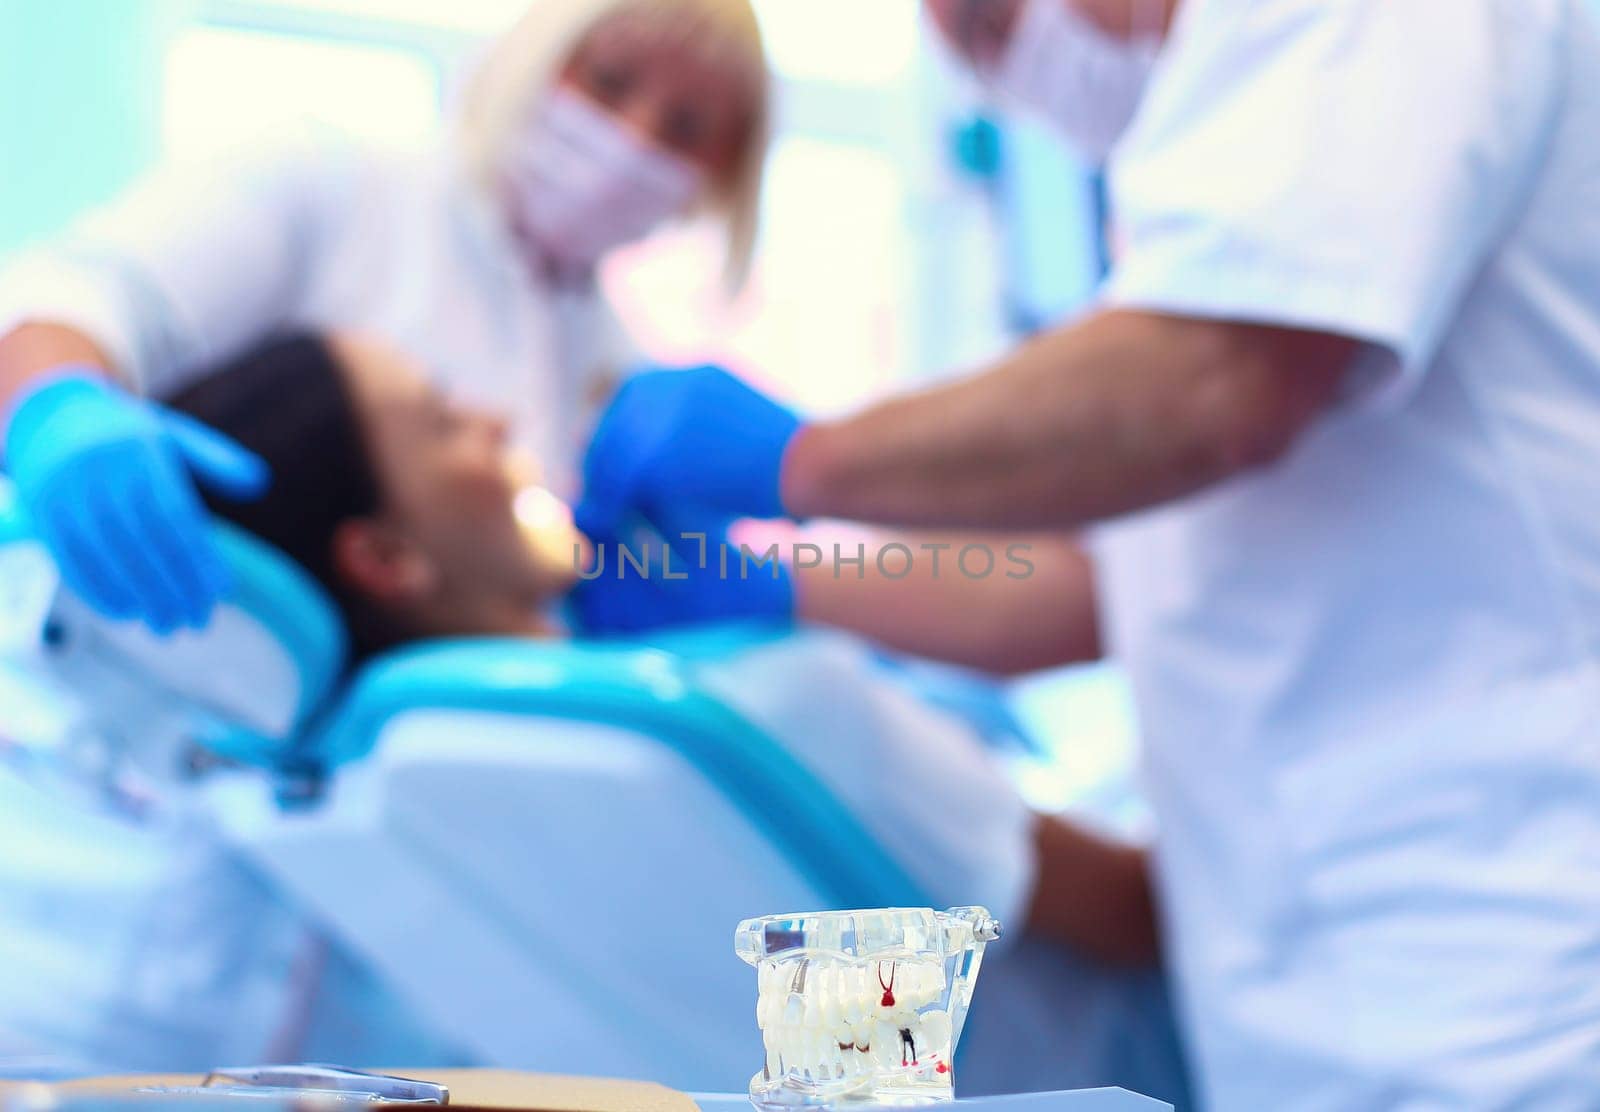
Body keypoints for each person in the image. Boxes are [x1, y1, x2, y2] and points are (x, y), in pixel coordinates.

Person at [572, 0, 1600, 1107]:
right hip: (1328, 995)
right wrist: (777, 576)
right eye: (966, 41)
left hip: (1507, 962)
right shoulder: (1214, 199)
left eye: (990, 17)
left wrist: (806, 464)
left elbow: (1212, 380)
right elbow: (1091, 581)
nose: (1004, 60)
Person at [156, 330, 1185, 1095]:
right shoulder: (753, 708)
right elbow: (1141, 918)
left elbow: (844, 1062)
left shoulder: (371, 803)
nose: (498, 421)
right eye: (441, 420)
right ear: (387, 558)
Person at [0, 0, 770, 637]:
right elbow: (73, 297)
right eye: (607, 82)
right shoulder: (333, 182)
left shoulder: (619, 367)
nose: (632, 138)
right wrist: (57, 407)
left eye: (685, 129)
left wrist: (683, 573)